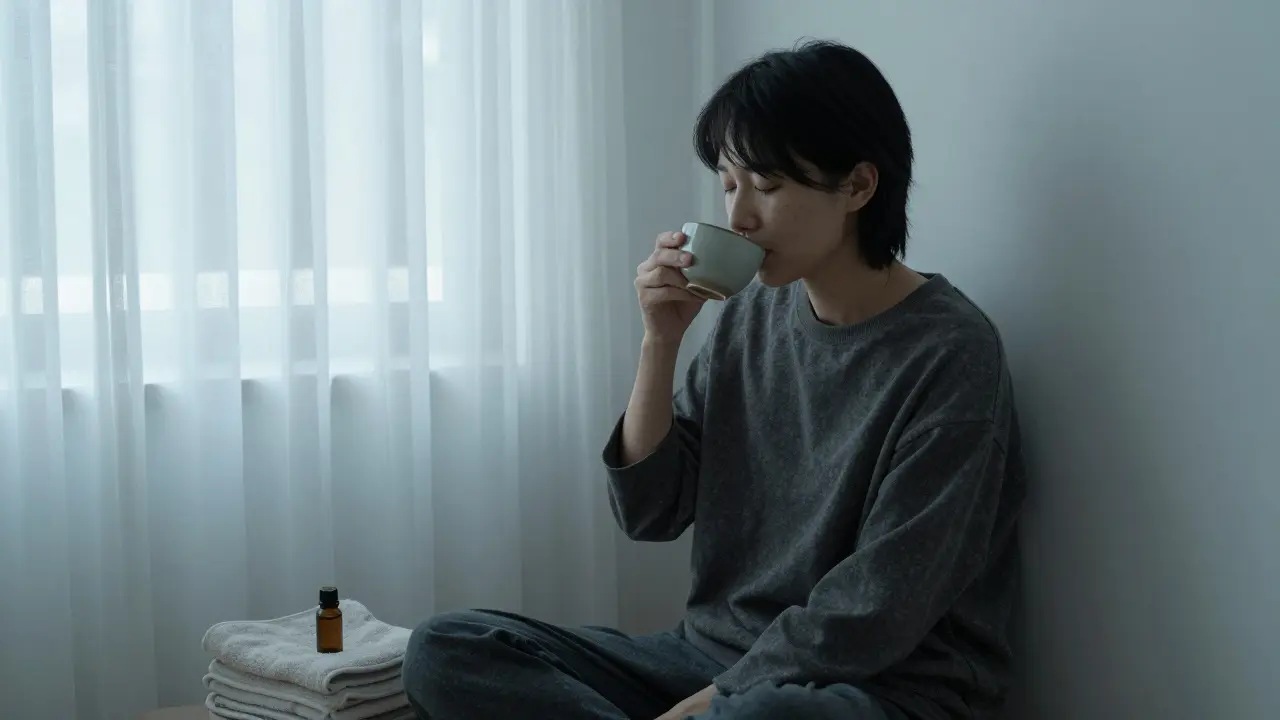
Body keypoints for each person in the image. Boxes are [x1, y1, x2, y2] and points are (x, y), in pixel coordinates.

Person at [402, 39, 1025, 720]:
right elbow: (651, 509)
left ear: (858, 185)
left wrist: (713, 703)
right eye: (729, 184)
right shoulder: (752, 313)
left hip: (878, 686)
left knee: (764, 717)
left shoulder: (953, 353)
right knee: (448, 648)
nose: (738, 218)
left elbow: (877, 610)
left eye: (767, 185)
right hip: (708, 658)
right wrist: (659, 342)